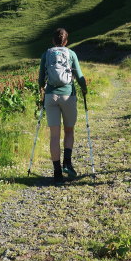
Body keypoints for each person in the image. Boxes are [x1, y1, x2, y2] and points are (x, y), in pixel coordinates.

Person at [38, 28, 87, 182]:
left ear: (53, 41)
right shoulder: (71, 54)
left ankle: (57, 172)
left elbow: (41, 79)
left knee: (54, 135)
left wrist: (43, 90)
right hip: (68, 95)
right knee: (69, 131)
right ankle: (67, 163)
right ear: (66, 41)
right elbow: (79, 75)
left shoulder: (46, 54)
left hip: (51, 96)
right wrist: (84, 89)